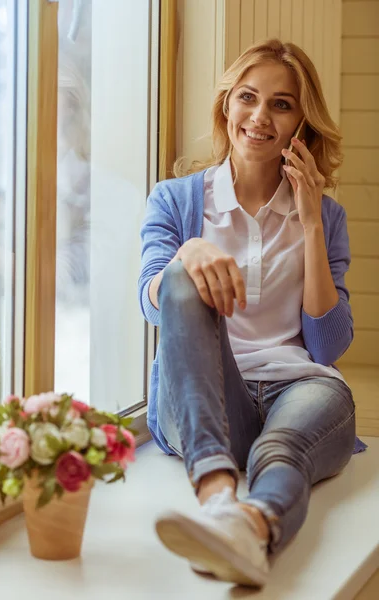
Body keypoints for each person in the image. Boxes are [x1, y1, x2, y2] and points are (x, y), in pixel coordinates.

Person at [138, 39, 360, 588]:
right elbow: (151, 301)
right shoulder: (176, 200)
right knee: (180, 279)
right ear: (227, 105)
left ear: (299, 124)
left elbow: (328, 346)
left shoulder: (326, 217)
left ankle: (251, 528)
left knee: (282, 448)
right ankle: (217, 496)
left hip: (299, 390)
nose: (260, 117)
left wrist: (309, 224)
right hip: (208, 403)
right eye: (248, 97)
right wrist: (187, 257)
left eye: (281, 105)